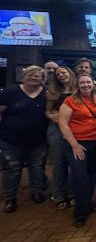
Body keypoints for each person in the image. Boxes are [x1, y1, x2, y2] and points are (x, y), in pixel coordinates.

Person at [59, 73, 96, 228]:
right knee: (80, 178)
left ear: (93, 84)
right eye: (82, 83)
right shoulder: (70, 101)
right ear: (77, 85)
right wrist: (74, 144)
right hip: (77, 144)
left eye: (88, 82)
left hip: (95, 142)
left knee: (93, 174)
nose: (86, 85)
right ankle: (80, 213)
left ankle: (86, 203)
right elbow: (63, 124)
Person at [0, 66, 48, 213]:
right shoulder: (9, 92)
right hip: (11, 139)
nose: (33, 78)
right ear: (24, 76)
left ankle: (37, 192)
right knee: (11, 170)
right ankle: (10, 198)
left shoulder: (46, 94)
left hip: (38, 139)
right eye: (30, 75)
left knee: (37, 167)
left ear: (42, 79)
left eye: (37, 76)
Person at [46, 66, 77, 209]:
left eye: (63, 73)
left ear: (69, 73)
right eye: (58, 74)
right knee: (59, 163)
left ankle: (72, 193)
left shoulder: (78, 90)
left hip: (76, 128)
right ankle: (59, 195)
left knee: (74, 162)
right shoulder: (54, 92)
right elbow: (48, 111)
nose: (61, 76)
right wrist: (54, 117)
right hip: (57, 130)